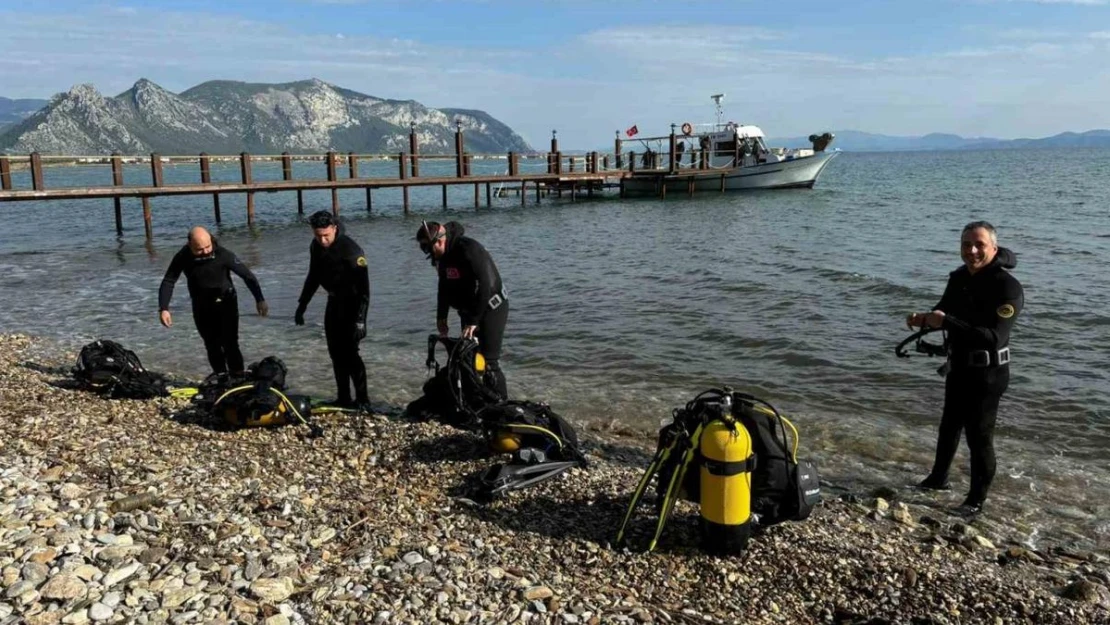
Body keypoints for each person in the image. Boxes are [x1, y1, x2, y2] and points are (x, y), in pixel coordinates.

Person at [906, 221, 1023, 516]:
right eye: (965, 245)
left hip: (989, 373)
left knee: (979, 437)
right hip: (958, 366)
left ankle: (975, 502)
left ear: (993, 248)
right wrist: (922, 318)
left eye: (979, 245)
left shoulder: (1007, 287)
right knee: (949, 426)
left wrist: (945, 321)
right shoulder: (959, 278)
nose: (971, 250)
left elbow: (994, 337)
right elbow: (944, 309)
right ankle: (938, 479)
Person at [415, 220, 509, 400]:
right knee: (469, 358)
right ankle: (478, 399)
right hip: (469, 311)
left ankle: (501, 401)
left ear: (439, 241)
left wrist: (474, 321)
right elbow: (443, 286)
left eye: (427, 248)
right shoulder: (442, 258)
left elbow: (486, 285)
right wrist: (441, 317)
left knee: (489, 361)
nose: (427, 253)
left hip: (492, 307)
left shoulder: (469, 249)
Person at [158, 226, 267, 375]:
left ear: (211, 240)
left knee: (230, 344)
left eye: (207, 247)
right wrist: (164, 308)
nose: (205, 252)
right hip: (201, 305)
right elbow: (169, 281)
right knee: (211, 345)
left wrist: (259, 299)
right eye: (199, 249)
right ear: (189, 244)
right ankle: (221, 377)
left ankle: (238, 377)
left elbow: (248, 276)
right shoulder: (183, 256)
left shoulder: (223, 255)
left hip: (226, 303)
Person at [294, 211, 371, 410]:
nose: (322, 240)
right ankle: (343, 397)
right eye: (318, 235)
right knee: (335, 353)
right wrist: (302, 305)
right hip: (334, 302)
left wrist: (361, 320)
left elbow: (364, 290)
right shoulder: (316, 246)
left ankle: (363, 400)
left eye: (326, 235)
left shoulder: (351, 250)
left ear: (335, 228)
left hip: (353, 306)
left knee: (351, 354)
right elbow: (313, 277)